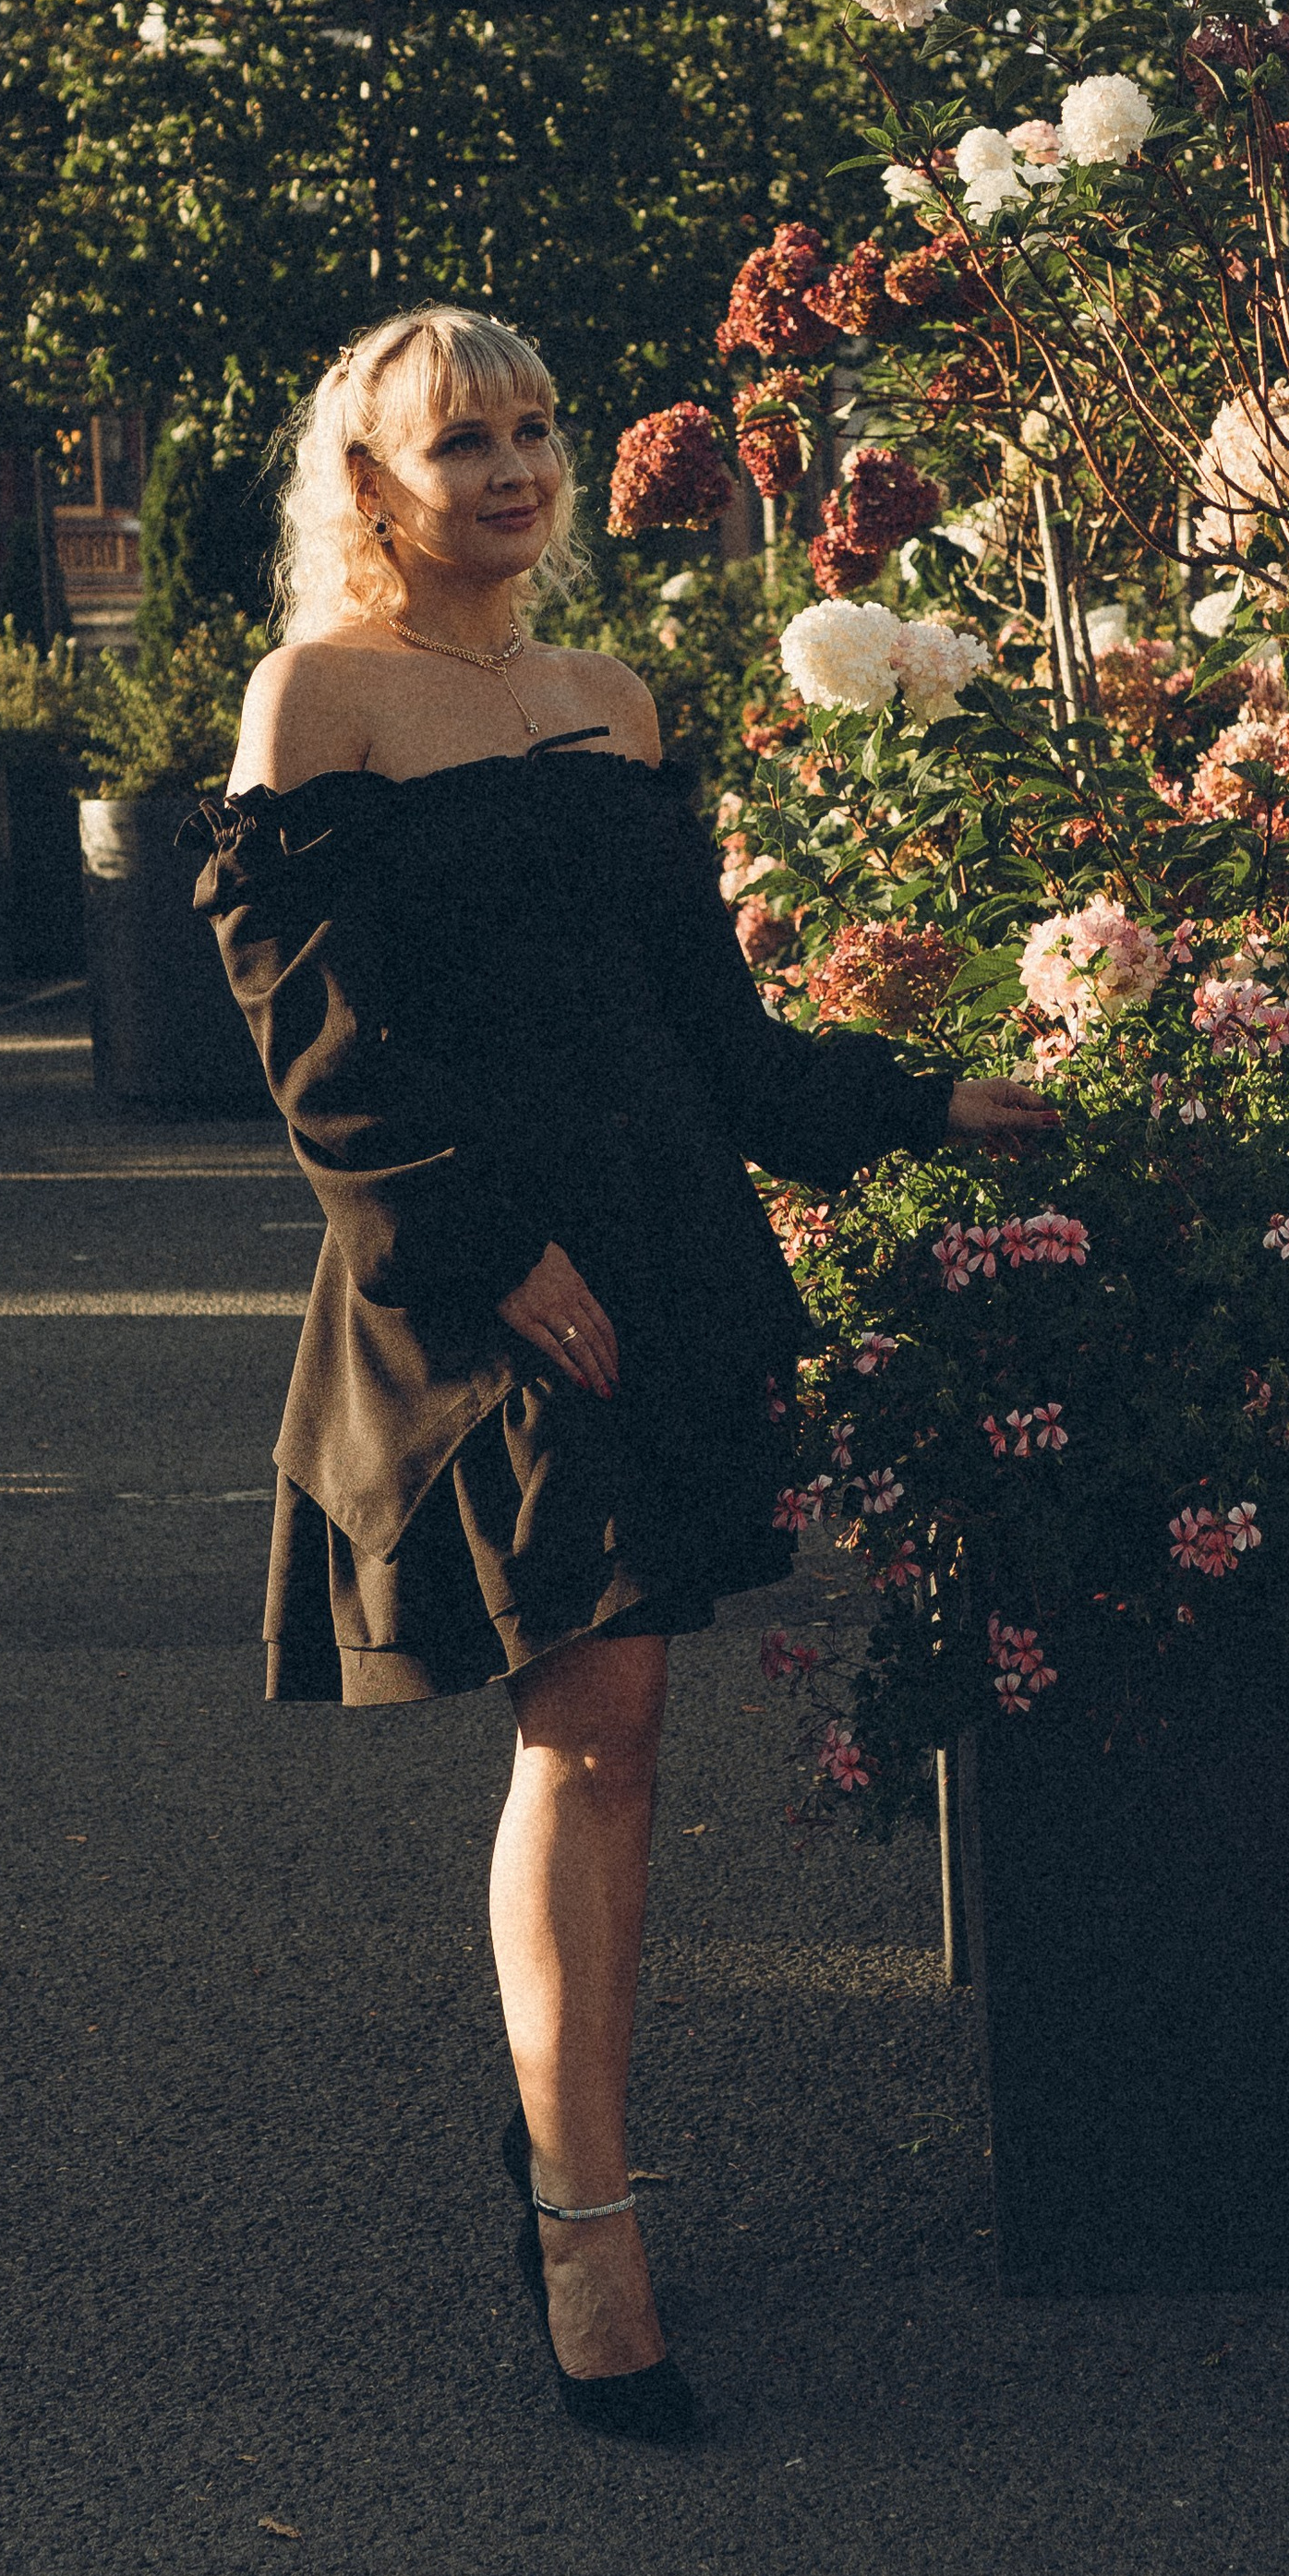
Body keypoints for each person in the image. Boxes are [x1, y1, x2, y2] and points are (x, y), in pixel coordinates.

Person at [197, 307, 1053, 2443]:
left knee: (627, 1731)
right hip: (474, 1274)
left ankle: (563, 2151)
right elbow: (313, 1052)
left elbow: (714, 1037)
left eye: (532, 428)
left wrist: (927, 1104)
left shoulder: (611, 701)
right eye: (455, 440)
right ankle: (589, 2219)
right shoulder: (316, 699)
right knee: (591, 1717)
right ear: (371, 483)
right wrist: (492, 1256)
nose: (507, 468)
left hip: (664, 1251)